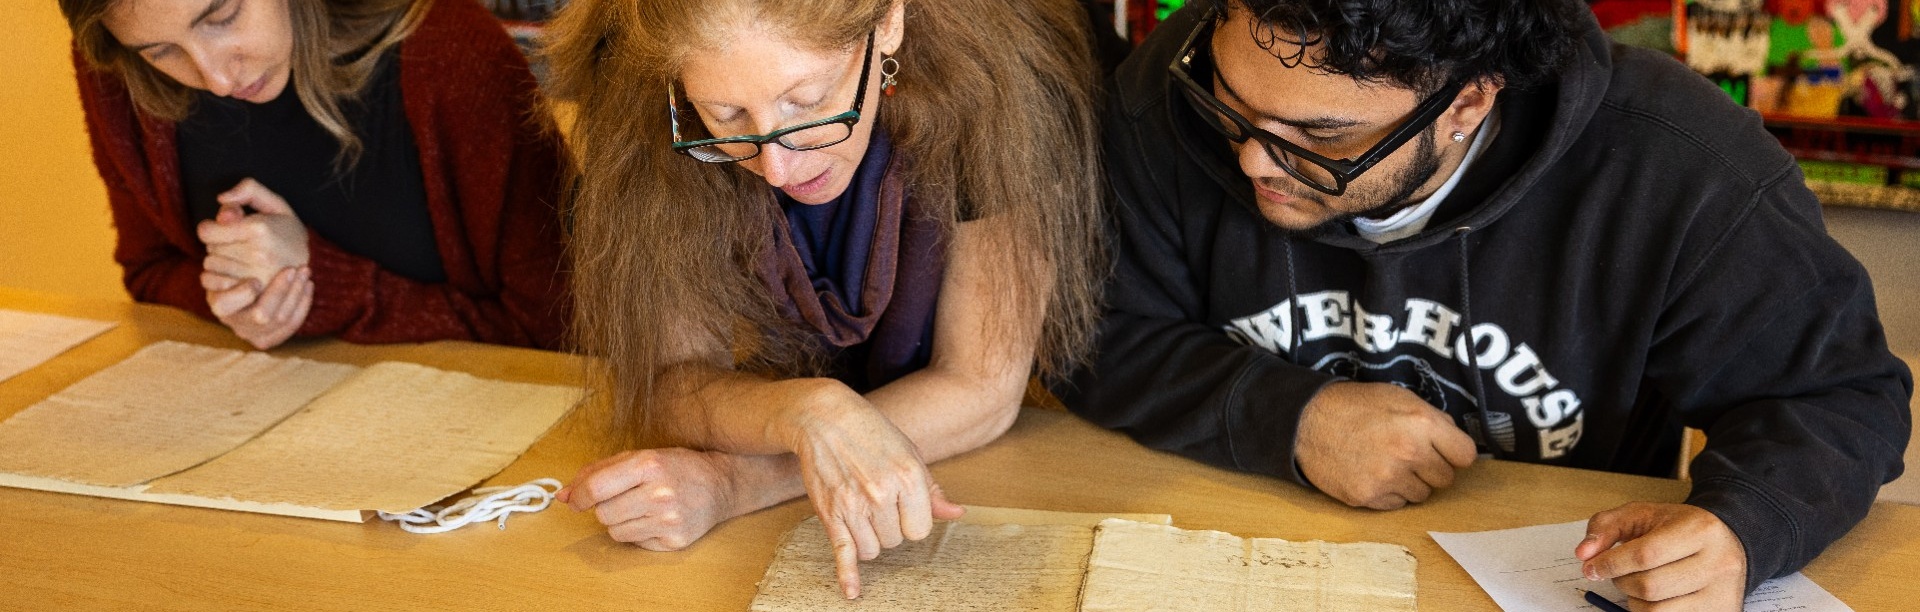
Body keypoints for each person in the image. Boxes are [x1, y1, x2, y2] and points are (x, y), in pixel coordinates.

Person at [1061, 0, 1913, 609]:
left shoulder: (1678, 167)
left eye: (1318, 138)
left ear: (1469, 100)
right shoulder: (1166, 97)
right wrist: (1287, 416)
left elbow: (1838, 396)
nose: (1252, 161)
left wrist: (1741, 526)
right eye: (1231, 106)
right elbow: (1084, 330)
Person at [542, 0, 1104, 600]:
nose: (777, 168)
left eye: (807, 104)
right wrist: (810, 411)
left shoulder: (996, 78)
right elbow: (671, 382)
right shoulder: (645, 82)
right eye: (727, 115)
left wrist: (738, 481)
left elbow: (982, 387)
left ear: (887, 23)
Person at [63, 0, 571, 350]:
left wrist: (315, 285)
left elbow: (558, 330)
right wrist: (236, 299)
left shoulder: (453, 54)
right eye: (160, 51)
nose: (215, 78)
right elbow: (149, 270)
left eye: (222, 15)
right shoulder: (117, 70)